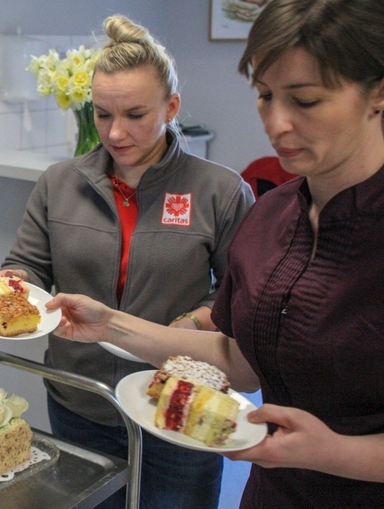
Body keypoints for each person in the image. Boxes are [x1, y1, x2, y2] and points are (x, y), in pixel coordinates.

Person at [45, 0, 384, 507]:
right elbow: (239, 362)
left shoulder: (222, 194)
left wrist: (334, 452)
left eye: (306, 101)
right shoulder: (270, 221)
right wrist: (110, 324)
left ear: (378, 94)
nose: (277, 123)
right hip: (273, 491)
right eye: (266, 96)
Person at [0, 14, 254, 509]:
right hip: (79, 399)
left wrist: (193, 319)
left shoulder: (219, 191)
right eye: (102, 114)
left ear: (171, 107)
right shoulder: (59, 183)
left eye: (135, 114)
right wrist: (13, 282)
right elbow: (27, 263)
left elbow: (240, 298)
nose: (115, 134)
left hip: (177, 403)